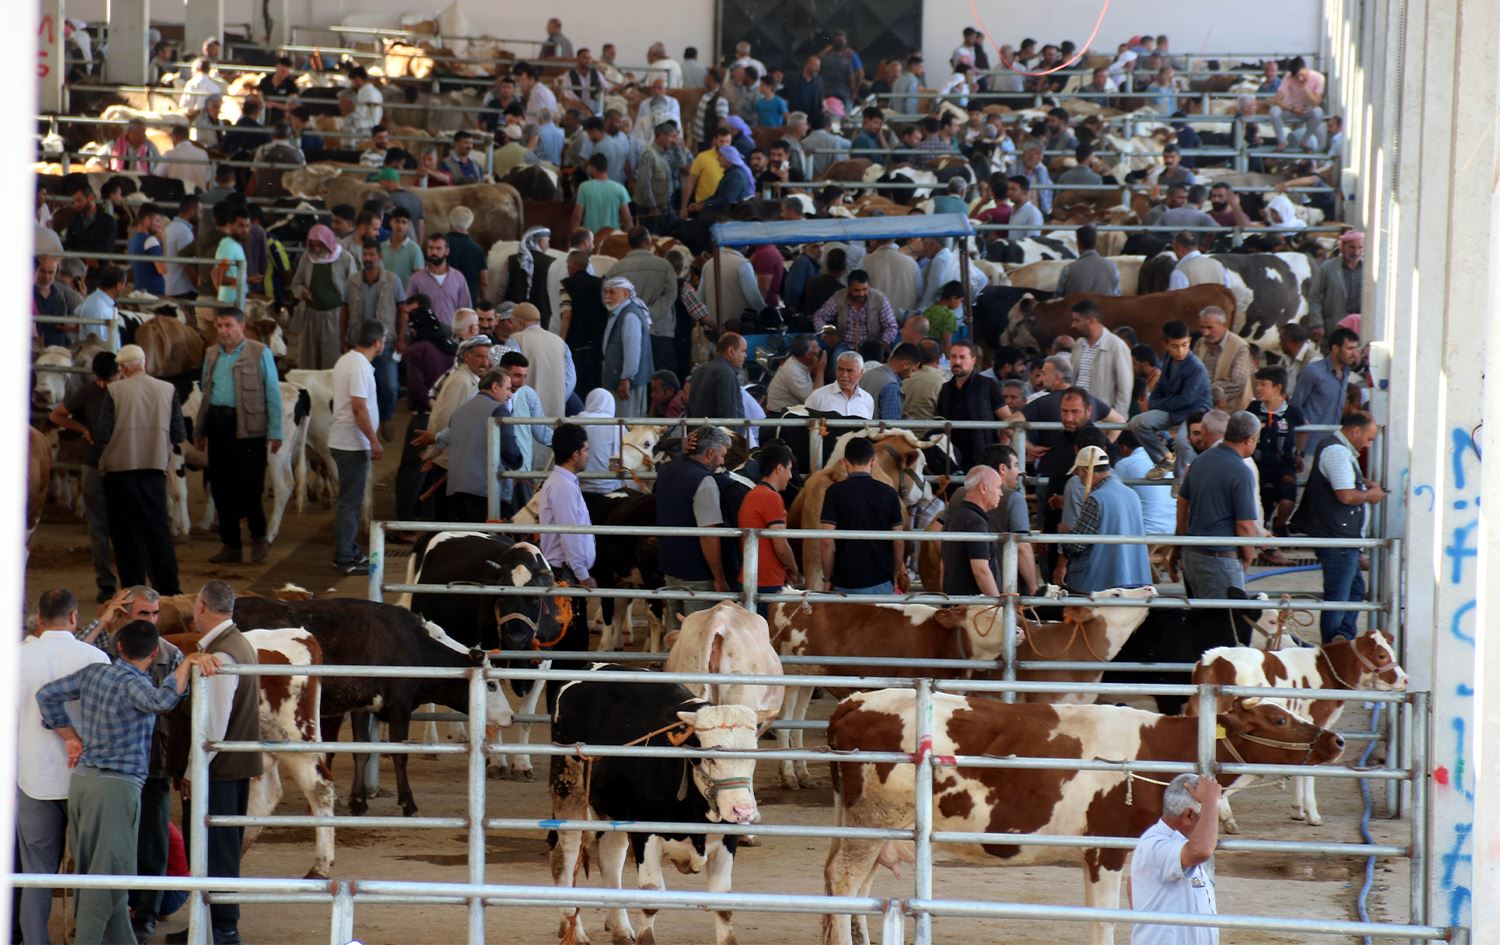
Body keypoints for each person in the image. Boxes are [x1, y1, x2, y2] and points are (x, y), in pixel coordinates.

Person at [35, 618, 216, 945]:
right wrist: (187, 663)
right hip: (116, 789)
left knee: (97, 870)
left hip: (84, 783)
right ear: (154, 652)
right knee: (108, 877)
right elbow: (162, 701)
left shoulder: (94, 673)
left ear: (119, 646)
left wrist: (69, 735)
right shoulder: (137, 685)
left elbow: (47, 695)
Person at [167, 582, 262, 945]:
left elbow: (213, 725)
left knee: (215, 849)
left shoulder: (222, 658)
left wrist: (193, 771)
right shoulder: (238, 645)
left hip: (218, 770)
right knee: (217, 848)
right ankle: (209, 925)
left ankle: (222, 928)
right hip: (231, 767)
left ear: (202, 606)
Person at [17, 589, 111, 945]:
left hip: (31, 777)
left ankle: (35, 940)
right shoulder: (95, 657)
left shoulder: (14, 659)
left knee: (35, 873)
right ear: (74, 617)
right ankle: (87, 937)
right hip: (85, 778)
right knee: (89, 867)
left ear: (39, 619)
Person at [194, 310, 282, 565]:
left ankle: (258, 537)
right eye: (220, 325)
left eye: (228, 325)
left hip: (248, 428)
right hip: (218, 425)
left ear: (241, 326)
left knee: (250, 487)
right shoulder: (212, 354)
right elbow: (205, 396)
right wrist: (200, 431)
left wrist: (275, 431)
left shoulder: (259, 352)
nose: (223, 330)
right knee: (220, 488)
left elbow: (272, 393)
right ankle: (230, 544)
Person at [1289, 411, 1384, 643]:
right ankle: (1335, 646)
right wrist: (1370, 494)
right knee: (1339, 596)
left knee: (1352, 591)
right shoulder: (1337, 452)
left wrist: (1362, 485)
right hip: (1338, 537)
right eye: (1369, 438)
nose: (1368, 444)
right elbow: (1345, 495)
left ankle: (1341, 637)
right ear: (1355, 431)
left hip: (1341, 536)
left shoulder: (1336, 449)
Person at [96, 344, 184, 594]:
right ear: (144, 363)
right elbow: (179, 433)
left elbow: (103, 433)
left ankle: (134, 593)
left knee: (126, 537)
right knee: (158, 534)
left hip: (119, 474)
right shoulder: (168, 389)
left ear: (122, 368)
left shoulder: (114, 391)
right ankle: (170, 591)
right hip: (154, 472)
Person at [49, 352, 120, 602]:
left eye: (106, 381)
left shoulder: (124, 391)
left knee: (123, 524)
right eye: (99, 381)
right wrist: (83, 429)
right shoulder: (90, 391)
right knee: (98, 526)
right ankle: (106, 584)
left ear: (118, 374)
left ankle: (131, 580)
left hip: (122, 464)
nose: (102, 385)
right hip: (94, 463)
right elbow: (56, 415)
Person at [1173, 411, 1262, 599]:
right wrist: (1248, 555)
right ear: (1249, 440)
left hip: (1192, 553)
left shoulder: (1200, 460)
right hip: (1219, 557)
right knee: (1225, 621)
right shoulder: (1241, 471)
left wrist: (1182, 543)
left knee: (1201, 620)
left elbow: (1182, 504)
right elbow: (1245, 524)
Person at [656, 425, 735, 627]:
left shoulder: (666, 470)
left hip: (670, 567)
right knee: (698, 635)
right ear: (710, 453)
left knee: (675, 635)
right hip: (697, 573)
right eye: (722, 455)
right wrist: (719, 577)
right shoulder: (704, 481)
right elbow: (708, 535)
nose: (723, 461)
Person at [1130, 773, 1222, 944]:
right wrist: (1210, 803)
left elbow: (1132, 884)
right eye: (1207, 818)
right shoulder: (1157, 844)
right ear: (1188, 816)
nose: (1212, 827)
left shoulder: (1176, 843)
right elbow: (1202, 850)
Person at [327, 321, 385, 570]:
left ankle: (349, 549)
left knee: (349, 500)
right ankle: (344, 557)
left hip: (344, 439)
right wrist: (374, 441)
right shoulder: (360, 367)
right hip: (351, 442)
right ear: (378, 343)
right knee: (350, 502)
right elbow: (358, 407)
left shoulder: (346, 360)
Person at [818, 436, 905, 594]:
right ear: (873, 461)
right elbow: (898, 542)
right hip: (881, 583)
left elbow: (826, 542)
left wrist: (827, 579)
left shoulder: (834, 492)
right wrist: (895, 574)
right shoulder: (889, 493)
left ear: (845, 462)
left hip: (844, 584)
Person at [1059, 446, 1151, 593]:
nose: (1080, 480)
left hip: (1100, 582)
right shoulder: (1132, 494)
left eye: (1079, 474)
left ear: (1084, 471)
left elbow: (1076, 545)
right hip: (1134, 577)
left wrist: (1065, 533)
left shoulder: (1096, 499)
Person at [1126, 320, 1213, 476]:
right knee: (1137, 422)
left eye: (1184, 345)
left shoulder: (1196, 367)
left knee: (1181, 441)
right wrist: (1154, 402)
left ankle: (1179, 480)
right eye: (1175, 346)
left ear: (1189, 342)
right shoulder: (1168, 358)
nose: (1181, 350)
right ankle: (1164, 460)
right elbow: (1161, 385)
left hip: (1195, 413)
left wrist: (1157, 404)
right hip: (1173, 409)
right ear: (1165, 345)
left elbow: (1187, 399)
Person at [440, 368, 519, 521]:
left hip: (456, 489)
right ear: (495, 387)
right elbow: (509, 448)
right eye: (508, 389)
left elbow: (446, 437)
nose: (510, 395)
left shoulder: (460, 412)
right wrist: (517, 465)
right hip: (486, 490)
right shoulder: (499, 410)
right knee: (490, 541)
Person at [607, 227, 681, 374]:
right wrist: (649, 314)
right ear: (648, 241)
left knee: (636, 380)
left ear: (629, 243)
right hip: (660, 331)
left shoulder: (615, 269)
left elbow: (611, 301)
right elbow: (671, 294)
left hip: (629, 333)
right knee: (663, 382)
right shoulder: (664, 266)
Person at [739, 443, 799, 614]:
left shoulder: (751, 495)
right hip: (768, 581)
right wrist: (794, 570)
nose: (790, 476)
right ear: (779, 468)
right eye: (789, 469)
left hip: (750, 577)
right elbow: (780, 545)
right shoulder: (772, 498)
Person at [288, 224, 356, 369]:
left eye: (320, 245)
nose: (317, 249)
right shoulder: (307, 258)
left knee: (331, 358)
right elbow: (296, 283)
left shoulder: (344, 258)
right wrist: (302, 292)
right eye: (313, 245)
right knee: (309, 357)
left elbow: (353, 289)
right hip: (311, 315)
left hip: (335, 317)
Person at [1249, 366, 1304, 546]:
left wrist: (1299, 453)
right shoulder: (1254, 408)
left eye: (1263, 384)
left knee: (1288, 497)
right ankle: (1263, 535)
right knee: (1261, 499)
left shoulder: (1293, 412)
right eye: (1257, 384)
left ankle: (1279, 525)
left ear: (1278, 388)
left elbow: (1304, 430)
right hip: (1259, 464)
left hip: (1283, 464)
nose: (1258, 389)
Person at [537, 423, 597, 587]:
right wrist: (583, 576)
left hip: (567, 570)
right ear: (575, 454)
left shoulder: (563, 483)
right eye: (586, 450)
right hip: (566, 573)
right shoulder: (563, 486)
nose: (587, 455)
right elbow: (570, 534)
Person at [937, 341, 1008, 468]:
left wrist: (1001, 453)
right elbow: (939, 421)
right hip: (952, 460)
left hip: (983, 459)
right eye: (953, 356)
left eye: (962, 357)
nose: (957, 361)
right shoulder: (945, 389)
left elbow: (1008, 420)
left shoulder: (988, 385)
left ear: (973, 360)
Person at [942, 464, 1003, 597]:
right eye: (998, 487)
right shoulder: (975, 523)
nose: (1001, 493)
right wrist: (998, 604)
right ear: (983, 488)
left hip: (956, 604)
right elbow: (980, 570)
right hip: (973, 610)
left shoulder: (955, 516)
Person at [599, 277, 654, 417]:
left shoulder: (630, 316)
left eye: (612, 292)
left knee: (626, 424)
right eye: (605, 292)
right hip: (620, 380)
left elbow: (632, 351)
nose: (607, 297)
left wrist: (626, 378)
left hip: (626, 383)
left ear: (626, 294)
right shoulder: (620, 313)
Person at [1069, 299, 1134, 416]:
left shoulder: (1117, 346)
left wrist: (1116, 423)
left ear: (1091, 320)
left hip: (1102, 418)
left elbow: (1124, 389)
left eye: (1077, 320)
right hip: (1077, 415)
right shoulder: (1079, 344)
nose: (1073, 325)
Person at [1290, 326, 1360, 433]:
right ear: (1335, 349)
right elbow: (1295, 405)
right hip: (1310, 443)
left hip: (1332, 441)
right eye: (1350, 348)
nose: (1354, 354)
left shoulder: (1345, 372)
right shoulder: (1313, 371)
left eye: (1356, 348)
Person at [813, 269, 898, 351]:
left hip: (871, 345)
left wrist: (884, 342)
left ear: (869, 286)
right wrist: (825, 335)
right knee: (837, 361)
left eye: (865, 289)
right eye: (856, 290)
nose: (861, 294)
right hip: (845, 344)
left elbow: (891, 326)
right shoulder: (839, 297)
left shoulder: (879, 299)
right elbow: (819, 316)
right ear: (849, 288)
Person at [1115, 430, 1176, 536]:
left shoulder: (1125, 464)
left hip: (1145, 534)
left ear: (1124, 447)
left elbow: (1119, 504)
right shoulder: (1166, 460)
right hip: (1173, 531)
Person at [1193, 306, 1253, 412]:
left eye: (1210, 328)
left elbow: (1237, 382)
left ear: (1224, 326)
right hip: (1200, 403)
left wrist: (1208, 391)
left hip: (1228, 408)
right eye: (1202, 327)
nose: (1205, 332)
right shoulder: (1200, 343)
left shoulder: (1239, 346)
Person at [1309, 230, 1363, 337]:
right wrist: (1317, 324)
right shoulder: (1328, 268)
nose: (1356, 252)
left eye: (1360, 248)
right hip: (1334, 327)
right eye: (1352, 247)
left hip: (1361, 327)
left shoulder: (1369, 269)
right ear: (1342, 247)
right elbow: (1314, 296)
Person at [1268, 56, 1326, 151]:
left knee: (1318, 112)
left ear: (1306, 68)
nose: (1300, 78)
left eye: (1302, 75)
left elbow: (1316, 102)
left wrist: (1305, 88)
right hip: (1290, 109)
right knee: (1274, 111)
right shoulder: (1288, 78)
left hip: (1307, 110)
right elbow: (1277, 99)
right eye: (1297, 76)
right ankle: (1282, 141)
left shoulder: (1319, 78)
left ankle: (1305, 141)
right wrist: (1292, 108)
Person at [807, 350, 876, 419]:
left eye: (850, 371)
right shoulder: (818, 396)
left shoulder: (867, 399)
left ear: (861, 372)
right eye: (840, 369)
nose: (844, 375)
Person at [573, 153, 633, 231]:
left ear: (593, 168)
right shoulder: (620, 189)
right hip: (612, 238)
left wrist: (572, 239)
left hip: (591, 239)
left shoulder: (584, 188)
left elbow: (577, 217)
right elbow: (627, 218)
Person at [861, 343, 920, 421]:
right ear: (905, 365)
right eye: (912, 371)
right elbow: (892, 426)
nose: (910, 376)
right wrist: (906, 422)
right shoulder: (891, 386)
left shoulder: (868, 374)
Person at [765, 335, 824, 414]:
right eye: (816, 347)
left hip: (792, 410)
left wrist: (814, 370)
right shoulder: (793, 371)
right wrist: (820, 371)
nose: (819, 349)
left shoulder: (799, 363)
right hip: (780, 415)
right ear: (808, 355)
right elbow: (816, 401)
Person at [1057, 225, 1121, 297]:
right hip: (1105, 308)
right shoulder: (1112, 266)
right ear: (1095, 243)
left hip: (1076, 308)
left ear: (1078, 243)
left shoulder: (1068, 269)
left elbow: (1058, 298)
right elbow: (1116, 295)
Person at [211, 202, 250, 309]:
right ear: (230, 226)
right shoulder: (228, 244)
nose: (245, 230)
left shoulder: (236, 244)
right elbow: (219, 277)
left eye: (247, 226)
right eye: (241, 226)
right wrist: (245, 280)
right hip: (229, 303)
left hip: (234, 302)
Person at [163, 196, 200, 299]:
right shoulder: (184, 231)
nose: (201, 215)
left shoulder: (170, 227)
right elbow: (186, 263)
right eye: (199, 211)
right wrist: (197, 285)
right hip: (182, 288)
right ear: (193, 211)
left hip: (170, 286)